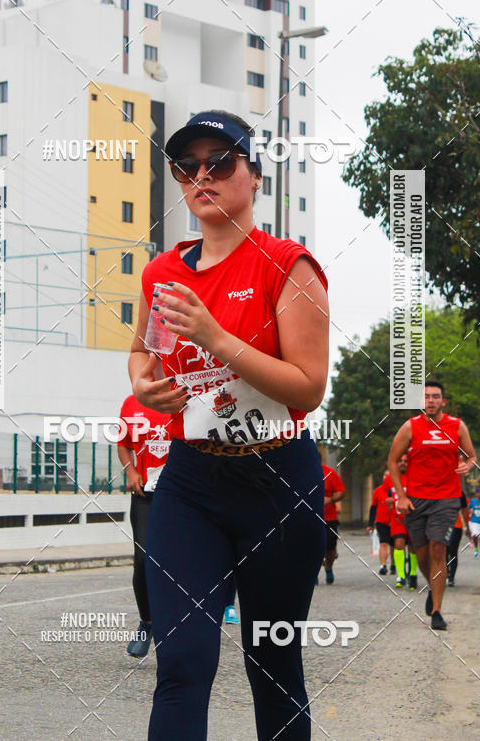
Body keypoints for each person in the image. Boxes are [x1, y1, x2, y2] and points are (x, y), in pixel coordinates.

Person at [129, 110, 329, 740]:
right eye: (185, 166)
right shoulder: (163, 274)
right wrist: (142, 384)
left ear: (255, 175)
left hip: (279, 481)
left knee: (273, 665)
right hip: (191, 483)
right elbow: (143, 352)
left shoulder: (288, 265)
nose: (202, 176)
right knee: (182, 663)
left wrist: (216, 338)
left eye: (220, 162)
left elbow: (309, 386)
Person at [388, 380, 477, 631]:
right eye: (426, 396)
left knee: (438, 549)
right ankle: (433, 586)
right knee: (422, 553)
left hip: (447, 498)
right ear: (421, 401)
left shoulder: (457, 426)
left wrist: (468, 466)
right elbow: (393, 461)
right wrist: (402, 496)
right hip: (416, 499)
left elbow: (472, 456)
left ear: (443, 401)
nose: (431, 401)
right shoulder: (410, 427)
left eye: (436, 396)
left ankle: (437, 611)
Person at [117, 394, 173, 657]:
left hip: (180, 494)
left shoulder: (185, 396)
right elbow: (123, 444)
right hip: (145, 494)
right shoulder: (132, 403)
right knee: (142, 559)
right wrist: (131, 471)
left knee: (177, 563)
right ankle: (147, 622)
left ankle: (176, 627)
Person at [386, 455, 418, 589]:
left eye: (406, 461)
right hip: (397, 519)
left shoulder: (415, 477)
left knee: (413, 547)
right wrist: (388, 501)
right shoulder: (390, 478)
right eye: (400, 461)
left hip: (413, 518)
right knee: (398, 544)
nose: (403, 463)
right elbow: (384, 493)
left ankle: (413, 574)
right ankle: (401, 576)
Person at [321, 460, 345, 584]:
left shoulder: (329, 473)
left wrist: (330, 499)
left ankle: (329, 567)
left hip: (329, 518)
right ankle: (313, 573)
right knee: (311, 545)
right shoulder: (302, 472)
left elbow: (341, 491)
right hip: (309, 517)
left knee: (330, 546)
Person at [367, 470, 393, 574]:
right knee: (383, 543)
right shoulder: (378, 491)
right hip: (381, 521)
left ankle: (394, 565)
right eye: (385, 475)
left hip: (395, 521)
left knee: (395, 545)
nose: (386, 477)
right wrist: (370, 524)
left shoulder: (396, 490)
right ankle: (383, 565)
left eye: (389, 475)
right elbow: (373, 508)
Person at [446, 492, 470, 586]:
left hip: (456, 526)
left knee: (453, 550)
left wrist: (467, 527)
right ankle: (446, 572)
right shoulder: (440, 490)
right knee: (444, 550)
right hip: (443, 526)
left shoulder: (460, 493)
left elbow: (464, 510)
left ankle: (451, 577)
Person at [468, 487, 480, 559]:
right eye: (478, 493)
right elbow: (468, 508)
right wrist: (470, 511)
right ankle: (476, 549)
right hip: (474, 521)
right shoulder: (473, 501)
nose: (479, 494)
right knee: (475, 535)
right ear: (476, 494)